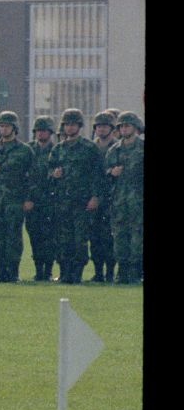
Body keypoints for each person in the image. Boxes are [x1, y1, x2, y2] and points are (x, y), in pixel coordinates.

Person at [48, 108, 102, 284]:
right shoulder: (58, 149)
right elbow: (48, 171)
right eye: (66, 125)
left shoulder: (89, 148)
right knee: (62, 239)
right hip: (62, 201)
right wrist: (53, 174)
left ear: (79, 126)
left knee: (80, 239)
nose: (69, 128)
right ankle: (64, 272)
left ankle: (77, 273)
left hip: (81, 202)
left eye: (73, 124)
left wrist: (95, 197)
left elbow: (97, 175)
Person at [0, 111, 35, 283]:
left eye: (7, 126)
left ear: (14, 128)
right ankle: (0, 271)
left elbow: (32, 177)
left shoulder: (25, 151)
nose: (4, 129)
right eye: (1, 126)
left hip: (15, 200)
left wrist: (29, 199)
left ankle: (13, 272)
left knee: (13, 237)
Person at [105, 111, 144, 284]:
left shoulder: (142, 148)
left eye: (127, 125)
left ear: (135, 128)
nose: (124, 129)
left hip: (138, 201)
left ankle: (136, 271)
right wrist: (111, 172)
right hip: (119, 201)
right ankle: (122, 271)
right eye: (121, 126)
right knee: (119, 236)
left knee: (138, 237)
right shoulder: (115, 149)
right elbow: (104, 172)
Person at [26, 115, 59, 281]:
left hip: (51, 200)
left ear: (50, 132)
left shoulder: (57, 150)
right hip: (33, 201)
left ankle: (48, 270)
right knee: (35, 236)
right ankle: (39, 269)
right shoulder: (28, 150)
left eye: (44, 131)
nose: (41, 134)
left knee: (50, 237)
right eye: (38, 131)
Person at [87, 111, 118, 283]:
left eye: (105, 126)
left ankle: (110, 272)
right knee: (95, 238)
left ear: (112, 128)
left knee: (110, 238)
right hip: (93, 198)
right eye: (99, 126)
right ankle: (98, 272)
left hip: (112, 199)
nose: (101, 129)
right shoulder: (90, 148)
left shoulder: (117, 147)